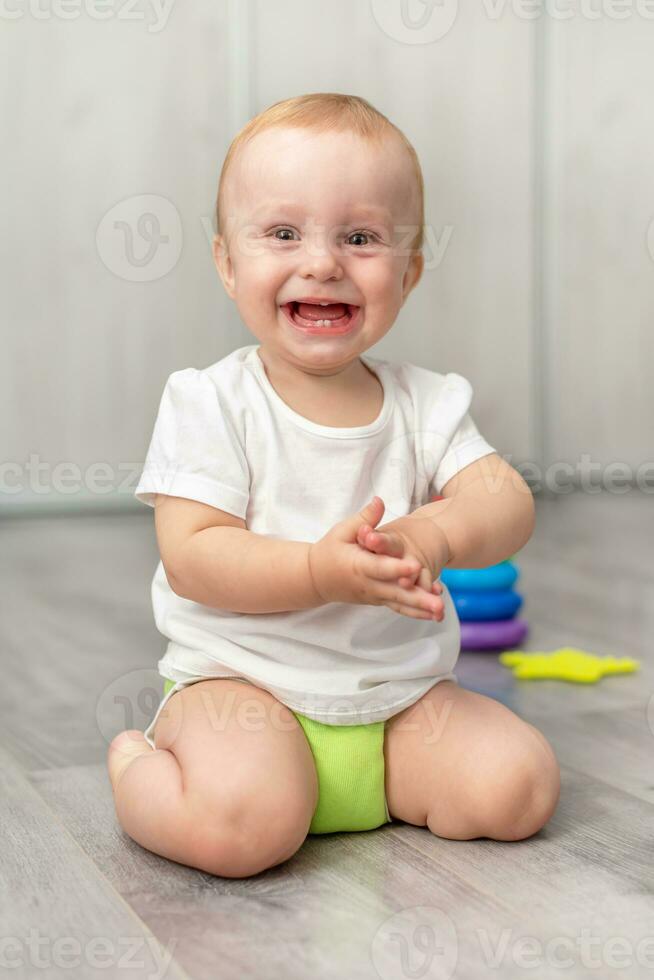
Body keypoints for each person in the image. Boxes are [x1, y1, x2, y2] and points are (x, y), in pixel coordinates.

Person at [107, 93, 560, 878]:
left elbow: (505, 499)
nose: (322, 262)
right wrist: (320, 572)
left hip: (399, 706)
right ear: (227, 262)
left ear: (409, 272)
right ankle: (136, 767)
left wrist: (436, 534)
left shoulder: (429, 403)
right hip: (246, 693)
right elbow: (195, 557)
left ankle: (364, 789)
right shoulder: (211, 402)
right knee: (239, 827)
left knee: (519, 785)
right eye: (283, 233)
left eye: (360, 237)